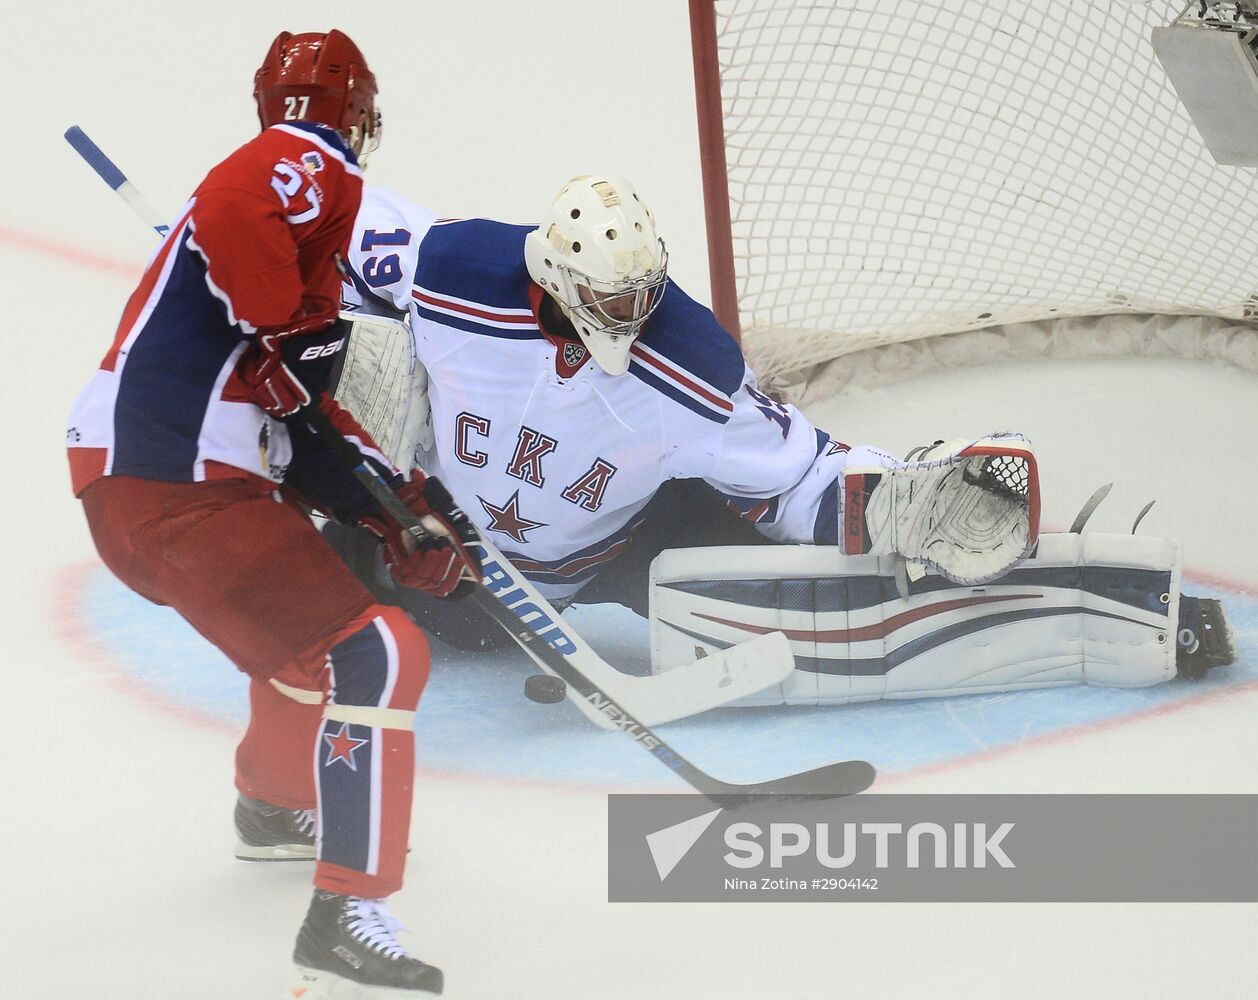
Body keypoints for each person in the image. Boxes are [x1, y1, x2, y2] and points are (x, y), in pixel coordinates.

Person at [327, 176, 1232, 698]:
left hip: (627, 544)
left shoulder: (688, 369)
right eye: (609, 301)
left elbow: (797, 475)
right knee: (342, 379)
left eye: (642, 295)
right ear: (554, 279)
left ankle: (1087, 606)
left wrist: (890, 501)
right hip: (451, 555)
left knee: (810, 600)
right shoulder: (453, 274)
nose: (631, 316)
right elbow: (331, 221)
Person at [65, 30, 474, 998]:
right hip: (177, 485)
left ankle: (272, 807)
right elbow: (240, 197)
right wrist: (282, 326)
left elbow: (297, 423)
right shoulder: (310, 166)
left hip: (135, 493)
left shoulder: (293, 266)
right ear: (359, 114)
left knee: (310, 649)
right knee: (381, 652)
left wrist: (392, 513)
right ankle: (347, 916)